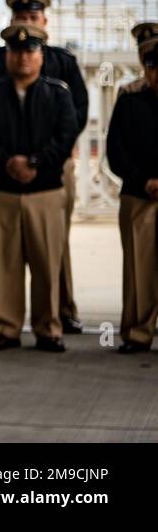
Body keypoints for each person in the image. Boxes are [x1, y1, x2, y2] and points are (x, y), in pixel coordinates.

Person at [0, 0, 87, 334]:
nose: (24, 52)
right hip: (7, 175)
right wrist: (6, 162)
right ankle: (4, 318)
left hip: (53, 170)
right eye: (20, 20)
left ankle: (60, 311)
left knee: (52, 246)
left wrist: (42, 160)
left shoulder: (63, 63)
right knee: (7, 256)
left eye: (33, 20)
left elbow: (76, 115)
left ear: (45, 23)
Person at [106, 34, 158, 353]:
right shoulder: (129, 99)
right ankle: (138, 332)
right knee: (139, 270)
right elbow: (116, 149)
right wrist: (144, 181)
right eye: (153, 67)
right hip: (139, 196)